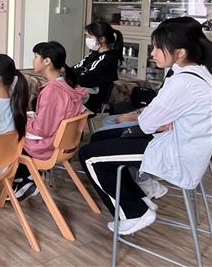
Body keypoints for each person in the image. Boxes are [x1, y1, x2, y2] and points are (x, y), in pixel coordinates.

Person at [79, 17, 212, 236]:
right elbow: (155, 120)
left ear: (180, 52)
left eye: (158, 48)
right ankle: (140, 197)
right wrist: (159, 121)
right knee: (100, 139)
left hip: (177, 153)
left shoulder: (184, 82)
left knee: (89, 155)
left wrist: (155, 121)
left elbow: (147, 124)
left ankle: (134, 212)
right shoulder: (198, 71)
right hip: (178, 141)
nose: (152, 53)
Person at [14, 41, 88, 200]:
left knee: (13, 135)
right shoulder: (67, 84)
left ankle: (26, 180)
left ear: (47, 61)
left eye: (35, 57)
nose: (33, 60)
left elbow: (43, 130)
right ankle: (28, 178)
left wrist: (25, 121)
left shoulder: (52, 91)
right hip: (65, 144)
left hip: (50, 146)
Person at [73, 21, 124, 113]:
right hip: (83, 91)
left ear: (102, 39)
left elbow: (84, 79)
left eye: (89, 37)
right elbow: (75, 69)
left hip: (92, 99)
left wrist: (73, 76)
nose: (87, 39)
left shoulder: (108, 59)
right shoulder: (94, 53)